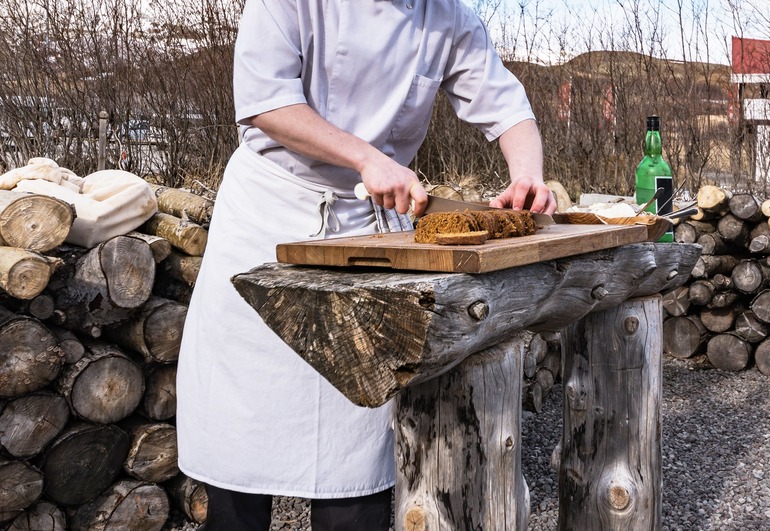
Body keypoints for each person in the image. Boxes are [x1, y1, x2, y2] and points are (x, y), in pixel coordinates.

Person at [175, 0, 557, 529]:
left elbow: (506, 106)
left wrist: (527, 175)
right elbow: (266, 102)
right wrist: (366, 157)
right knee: (240, 454)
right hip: (268, 216)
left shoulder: (448, 15)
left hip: (372, 229)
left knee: (356, 460)